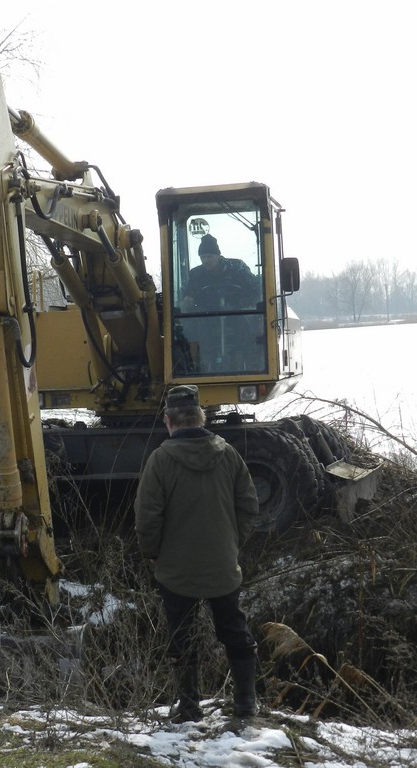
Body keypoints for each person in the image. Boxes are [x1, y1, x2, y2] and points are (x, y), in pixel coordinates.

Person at [134, 384, 261, 722]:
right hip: (223, 566)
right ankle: (246, 704)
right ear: (201, 418)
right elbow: (249, 505)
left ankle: (189, 708)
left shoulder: (160, 461)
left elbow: (147, 519)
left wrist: (154, 555)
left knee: (182, 638)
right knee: (234, 631)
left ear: (168, 421)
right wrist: (232, 544)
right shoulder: (229, 454)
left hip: (176, 572)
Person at [181, 233, 259, 311]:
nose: (206, 261)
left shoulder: (238, 267)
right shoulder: (196, 274)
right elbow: (189, 294)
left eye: (209, 256)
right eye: (202, 257)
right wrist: (188, 299)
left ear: (218, 256)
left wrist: (238, 304)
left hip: (238, 314)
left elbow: (255, 290)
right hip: (206, 317)